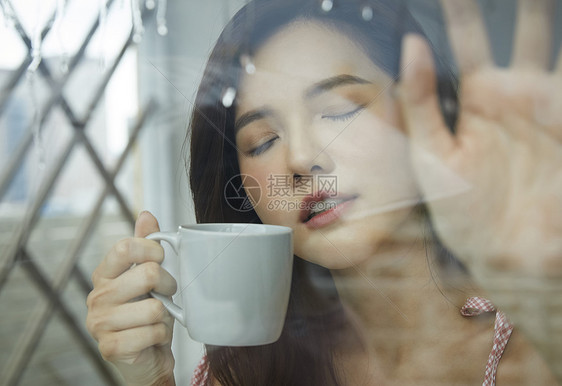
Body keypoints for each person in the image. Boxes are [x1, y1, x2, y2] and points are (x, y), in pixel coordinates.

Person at [86, 0, 562, 384]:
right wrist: (152, 379)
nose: (300, 159)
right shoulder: (246, 373)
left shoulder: (535, 339)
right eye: (263, 141)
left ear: (421, 113)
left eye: (337, 111)